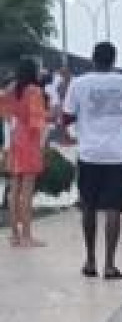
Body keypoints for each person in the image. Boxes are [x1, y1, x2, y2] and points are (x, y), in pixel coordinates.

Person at [61, 39, 122, 280]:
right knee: (114, 208)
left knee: (89, 206)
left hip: (89, 153)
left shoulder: (79, 83)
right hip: (116, 153)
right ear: (114, 60)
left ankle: (90, 260)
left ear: (93, 59)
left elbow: (66, 117)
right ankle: (110, 265)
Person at [6, 61, 49, 249]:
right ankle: (27, 235)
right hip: (30, 141)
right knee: (27, 192)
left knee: (14, 190)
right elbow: (37, 121)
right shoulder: (34, 91)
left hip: (15, 138)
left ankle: (14, 234)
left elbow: (6, 113)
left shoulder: (11, 89)